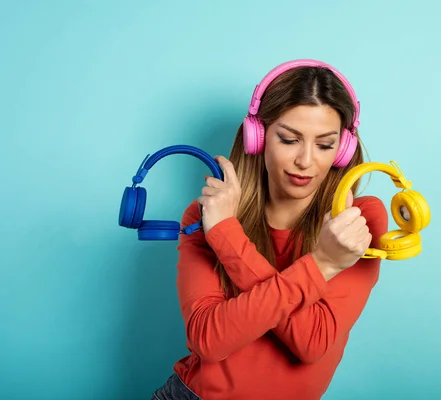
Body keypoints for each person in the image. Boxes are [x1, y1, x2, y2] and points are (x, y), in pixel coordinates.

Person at [152, 59, 388, 400]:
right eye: (290, 139)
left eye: (324, 145)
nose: (306, 161)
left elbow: (312, 342)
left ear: (343, 150)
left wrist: (226, 236)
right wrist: (322, 265)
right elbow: (208, 341)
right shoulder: (206, 216)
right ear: (258, 137)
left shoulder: (357, 220)